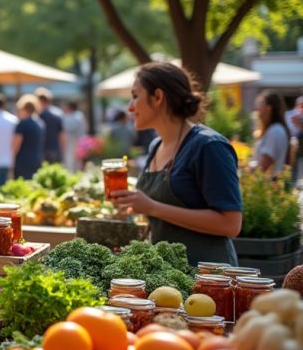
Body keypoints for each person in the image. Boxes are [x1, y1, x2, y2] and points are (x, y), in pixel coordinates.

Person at [112, 62, 242, 266]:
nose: (130, 107)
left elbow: (231, 224)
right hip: (166, 274)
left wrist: (153, 207)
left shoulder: (208, 146)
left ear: (158, 97)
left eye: (135, 96)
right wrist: (134, 207)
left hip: (209, 278)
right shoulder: (156, 146)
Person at [13, 94, 45, 179]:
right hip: (37, 159)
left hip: (23, 161)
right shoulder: (40, 123)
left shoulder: (23, 123)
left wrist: (11, 161)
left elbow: (16, 145)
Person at [35, 87, 65, 164]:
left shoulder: (36, 116)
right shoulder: (58, 114)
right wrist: (63, 151)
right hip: (55, 150)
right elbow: (61, 135)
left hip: (40, 151)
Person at [61, 101, 87, 172]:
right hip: (77, 141)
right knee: (76, 162)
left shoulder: (73, 116)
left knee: (72, 162)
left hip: (72, 142)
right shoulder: (79, 115)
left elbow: (67, 129)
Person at [286, 95, 303, 180]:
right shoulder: (290, 114)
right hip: (294, 143)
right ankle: (294, 181)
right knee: (294, 163)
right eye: (300, 104)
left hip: (298, 142)